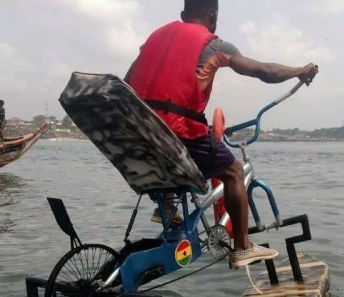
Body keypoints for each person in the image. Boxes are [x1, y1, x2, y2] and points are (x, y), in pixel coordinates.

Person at [124, 0, 318, 269]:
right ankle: (241, 247)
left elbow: (127, 82)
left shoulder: (154, 38)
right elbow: (264, 71)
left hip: (137, 129)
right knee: (234, 172)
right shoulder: (213, 44)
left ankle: (166, 206)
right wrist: (300, 71)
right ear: (213, 17)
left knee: (171, 156)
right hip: (178, 129)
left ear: (183, 15)